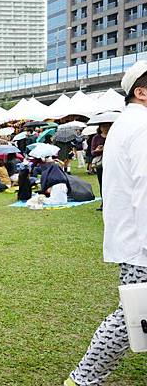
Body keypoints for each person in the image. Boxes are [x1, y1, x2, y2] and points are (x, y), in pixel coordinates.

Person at [64, 60, 147, 386]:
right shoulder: (140, 126)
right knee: (133, 315)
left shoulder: (129, 124)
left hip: (134, 237)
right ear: (141, 92)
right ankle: (83, 379)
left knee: (135, 312)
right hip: (141, 241)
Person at [91, 122, 111, 211]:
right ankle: (104, 203)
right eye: (103, 126)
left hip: (112, 162)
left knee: (112, 183)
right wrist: (98, 150)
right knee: (102, 183)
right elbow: (92, 152)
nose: (105, 128)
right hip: (100, 164)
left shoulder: (113, 136)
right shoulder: (96, 138)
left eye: (107, 126)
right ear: (100, 127)